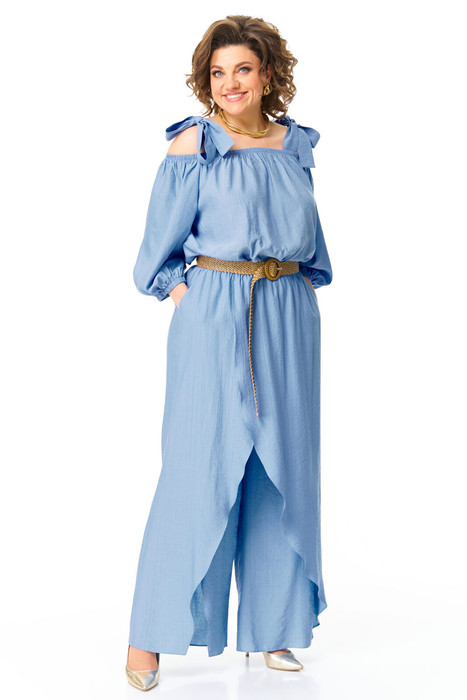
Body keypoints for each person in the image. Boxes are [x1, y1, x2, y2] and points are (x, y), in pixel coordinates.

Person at [126, 14, 333, 691]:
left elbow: (309, 238)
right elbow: (157, 251)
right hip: (215, 309)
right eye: (218, 73)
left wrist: (293, 295)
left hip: (288, 313)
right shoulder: (194, 143)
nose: (229, 83)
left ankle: (272, 629)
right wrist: (190, 299)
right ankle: (150, 637)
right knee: (197, 469)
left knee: (282, 471)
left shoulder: (294, 144)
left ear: (267, 74)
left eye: (242, 69)